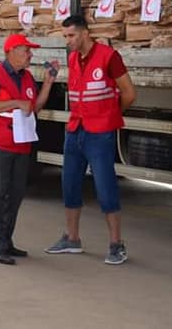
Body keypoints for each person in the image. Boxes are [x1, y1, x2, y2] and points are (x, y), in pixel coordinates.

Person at [45, 15, 137, 265]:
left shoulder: (108, 56)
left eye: (71, 36)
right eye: (64, 37)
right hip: (76, 129)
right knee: (70, 184)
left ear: (85, 33)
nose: (68, 41)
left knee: (106, 188)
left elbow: (129, 93)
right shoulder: (73, 58)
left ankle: (116, 244)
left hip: (100, 132)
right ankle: (72, 238)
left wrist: (110, 114)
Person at [0, 33, 59, 265]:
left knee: (14, 195)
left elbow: (35, 107)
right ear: (11, 51)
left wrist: (48, 83)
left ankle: (6, 241)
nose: (30, 55)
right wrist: (15, 103)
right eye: (26, 50)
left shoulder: (27, 77)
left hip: (21, 145)